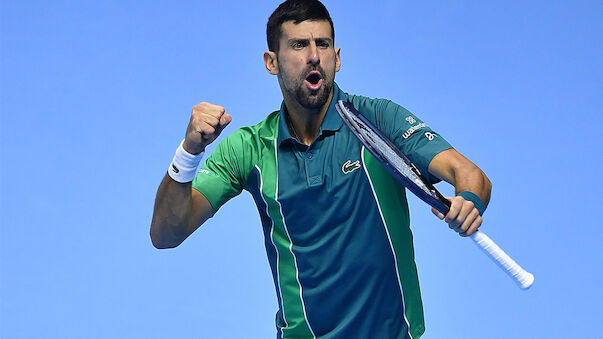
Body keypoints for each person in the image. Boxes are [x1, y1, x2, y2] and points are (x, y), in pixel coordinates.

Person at [150, 0, 491, 338]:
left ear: (337, 58)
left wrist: (469, 200)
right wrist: (188, 153)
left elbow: (468, 172)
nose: (314, 55)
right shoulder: (249, 148)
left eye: (323, 44)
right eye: (299, 45)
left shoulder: (378, 119)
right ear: (272, 62)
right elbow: (167, 234)